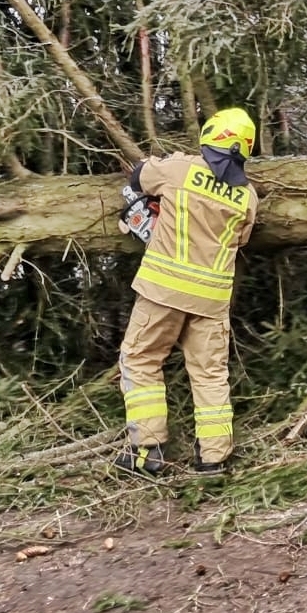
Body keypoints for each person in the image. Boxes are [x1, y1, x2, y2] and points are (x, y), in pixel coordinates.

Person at [119, 107, 259, 478]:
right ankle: (215, 458)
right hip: (211, 300)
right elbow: (241, 239)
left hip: (162, 290)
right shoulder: (247, 197)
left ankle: (147, 452)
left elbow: (139, 177)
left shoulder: (180, 169)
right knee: (210, 374)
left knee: (140, 359)